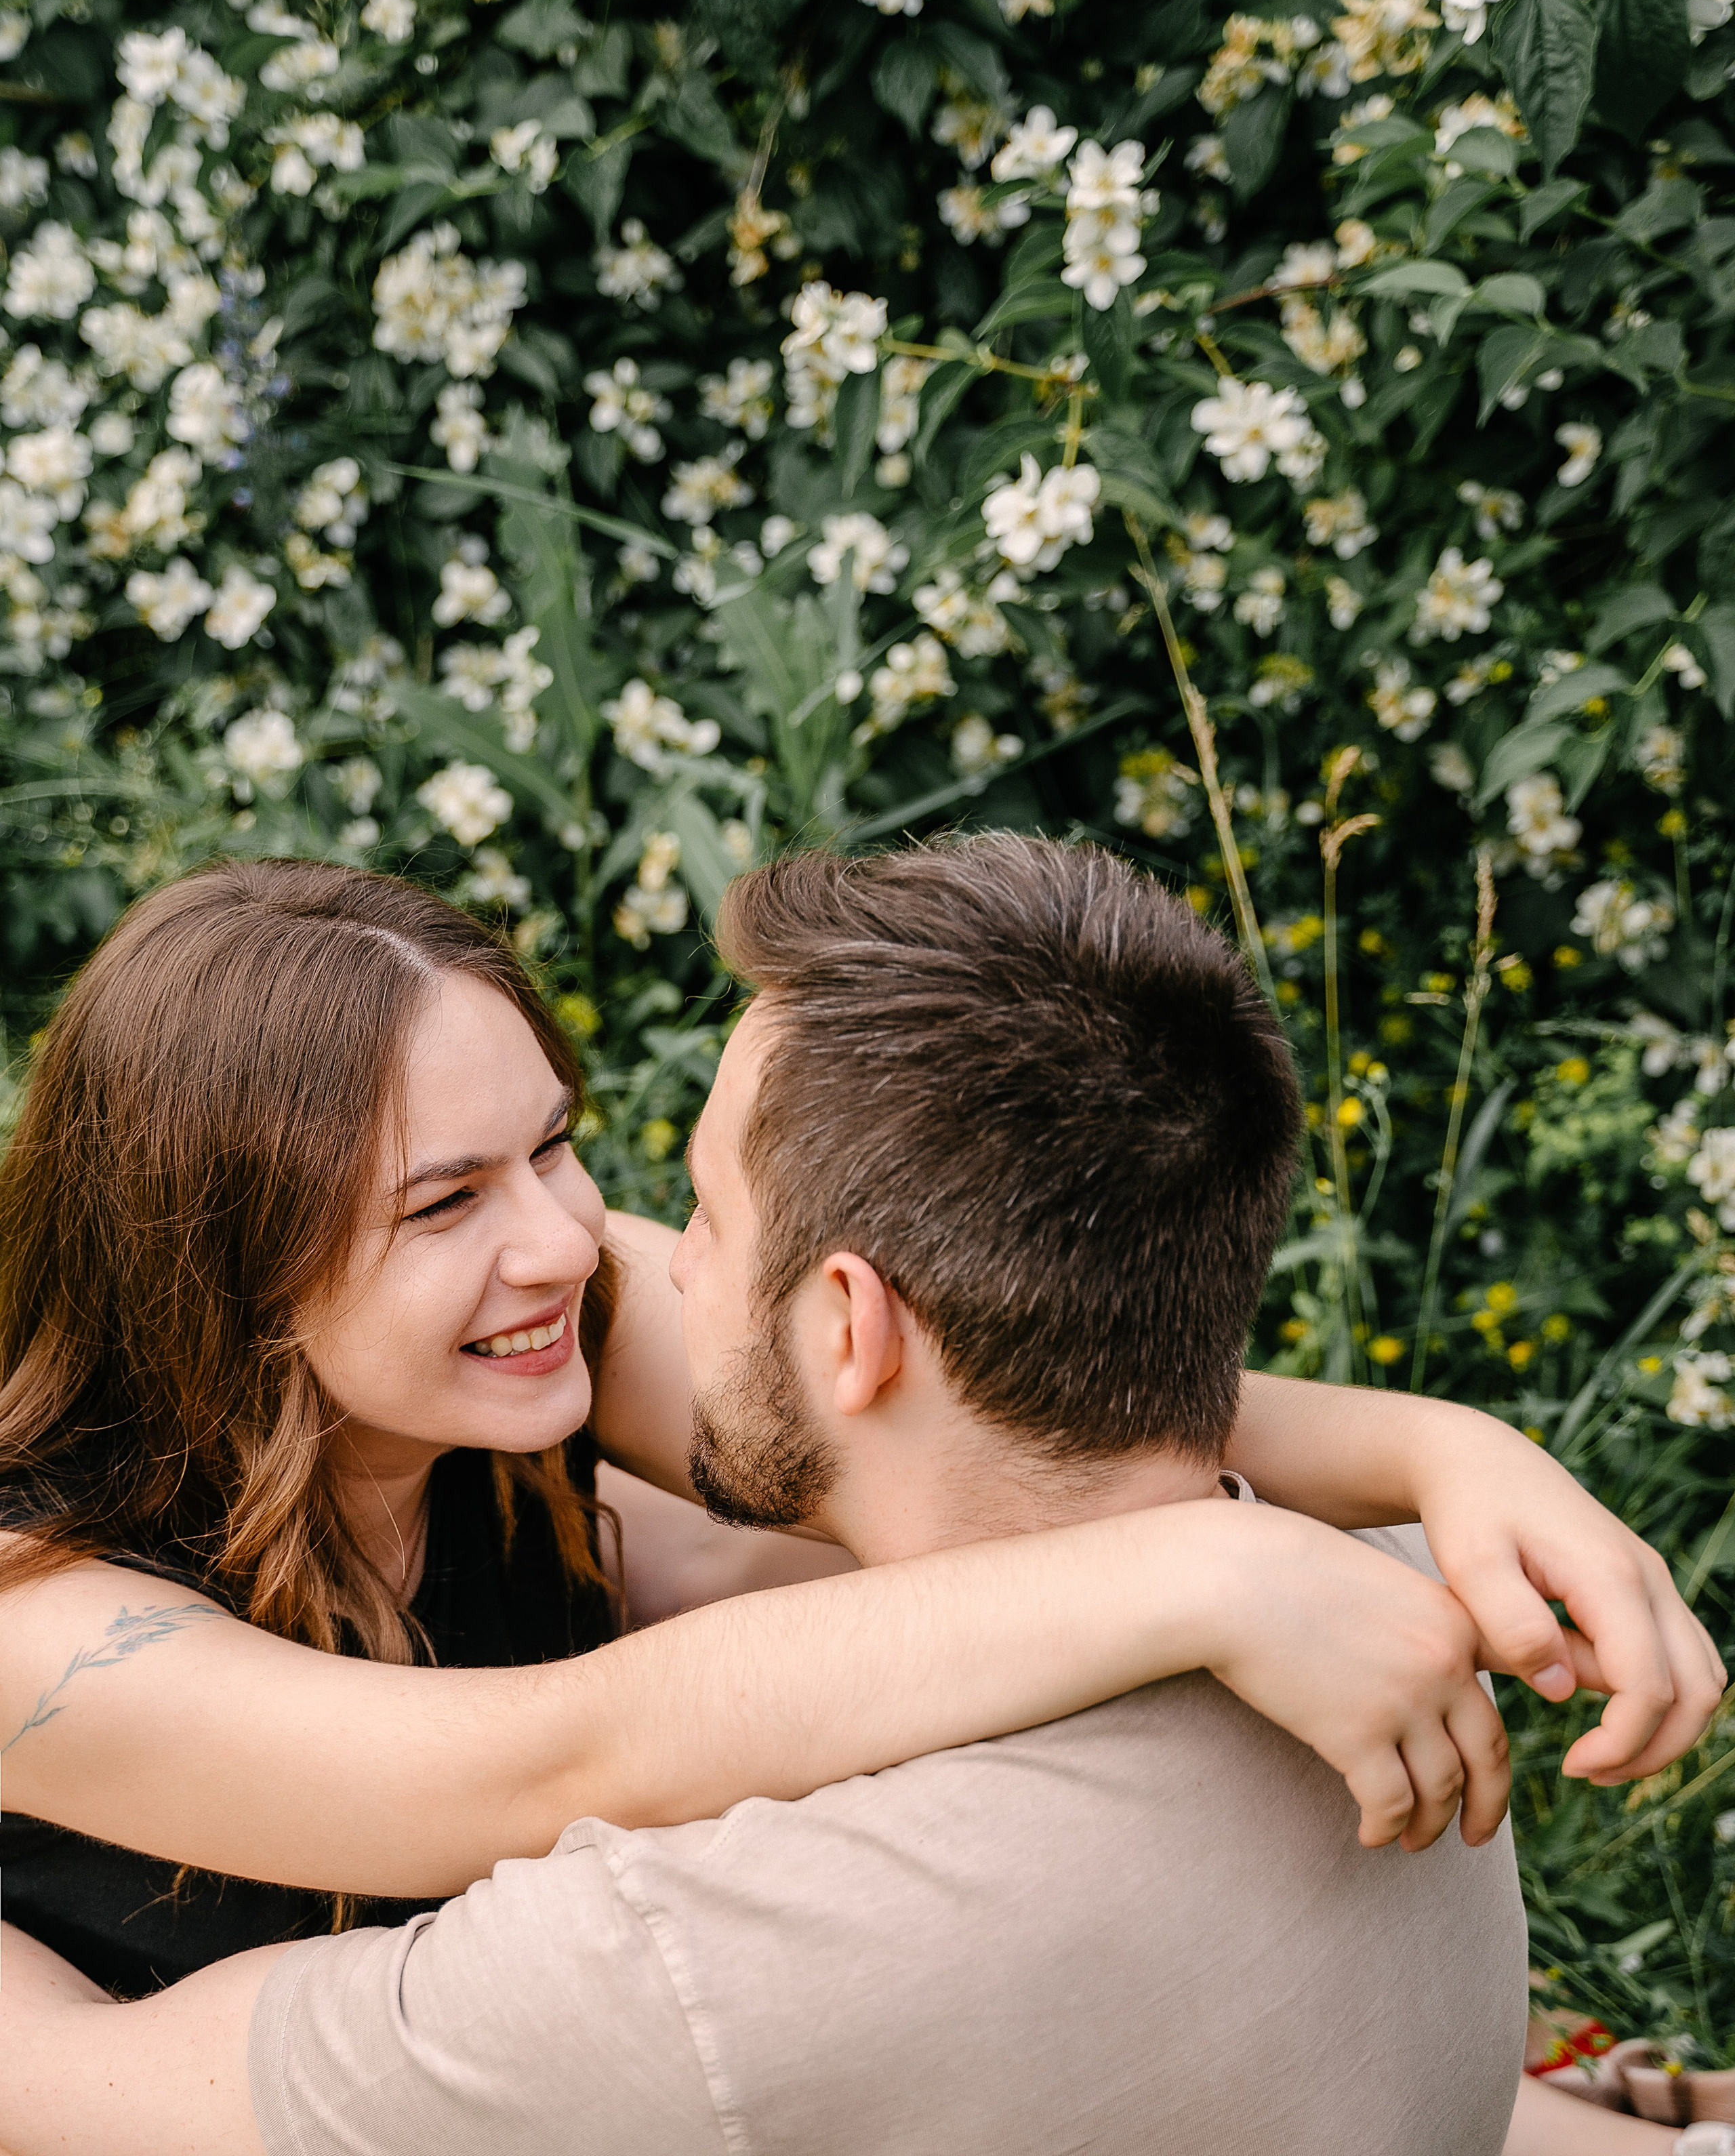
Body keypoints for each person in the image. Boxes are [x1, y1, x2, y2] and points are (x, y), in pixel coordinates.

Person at [1, 834, 1721, 2156]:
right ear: (218, 1267)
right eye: (443, 1200)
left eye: (552, 1142)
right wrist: (1208, 1570)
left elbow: (1000, 1376)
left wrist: (1444, 1447)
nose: (563, 1236)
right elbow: (551, 1754)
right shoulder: (39, 1602)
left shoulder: (535, 1309)